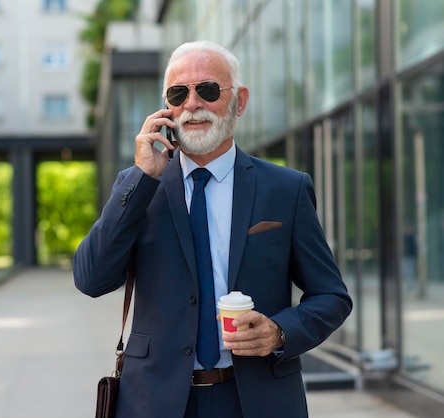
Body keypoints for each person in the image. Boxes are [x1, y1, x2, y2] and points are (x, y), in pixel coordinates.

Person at [73, 40, 352, 418]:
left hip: (257, 401)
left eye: (207, 90)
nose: (192, 104)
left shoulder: (286, 189)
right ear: (166, 107)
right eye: (178, 93)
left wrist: (280, 332)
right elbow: (91, 279)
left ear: (239, 101)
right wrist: (140, 179)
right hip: (154, 401)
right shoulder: (137, 186)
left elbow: (332, 296)